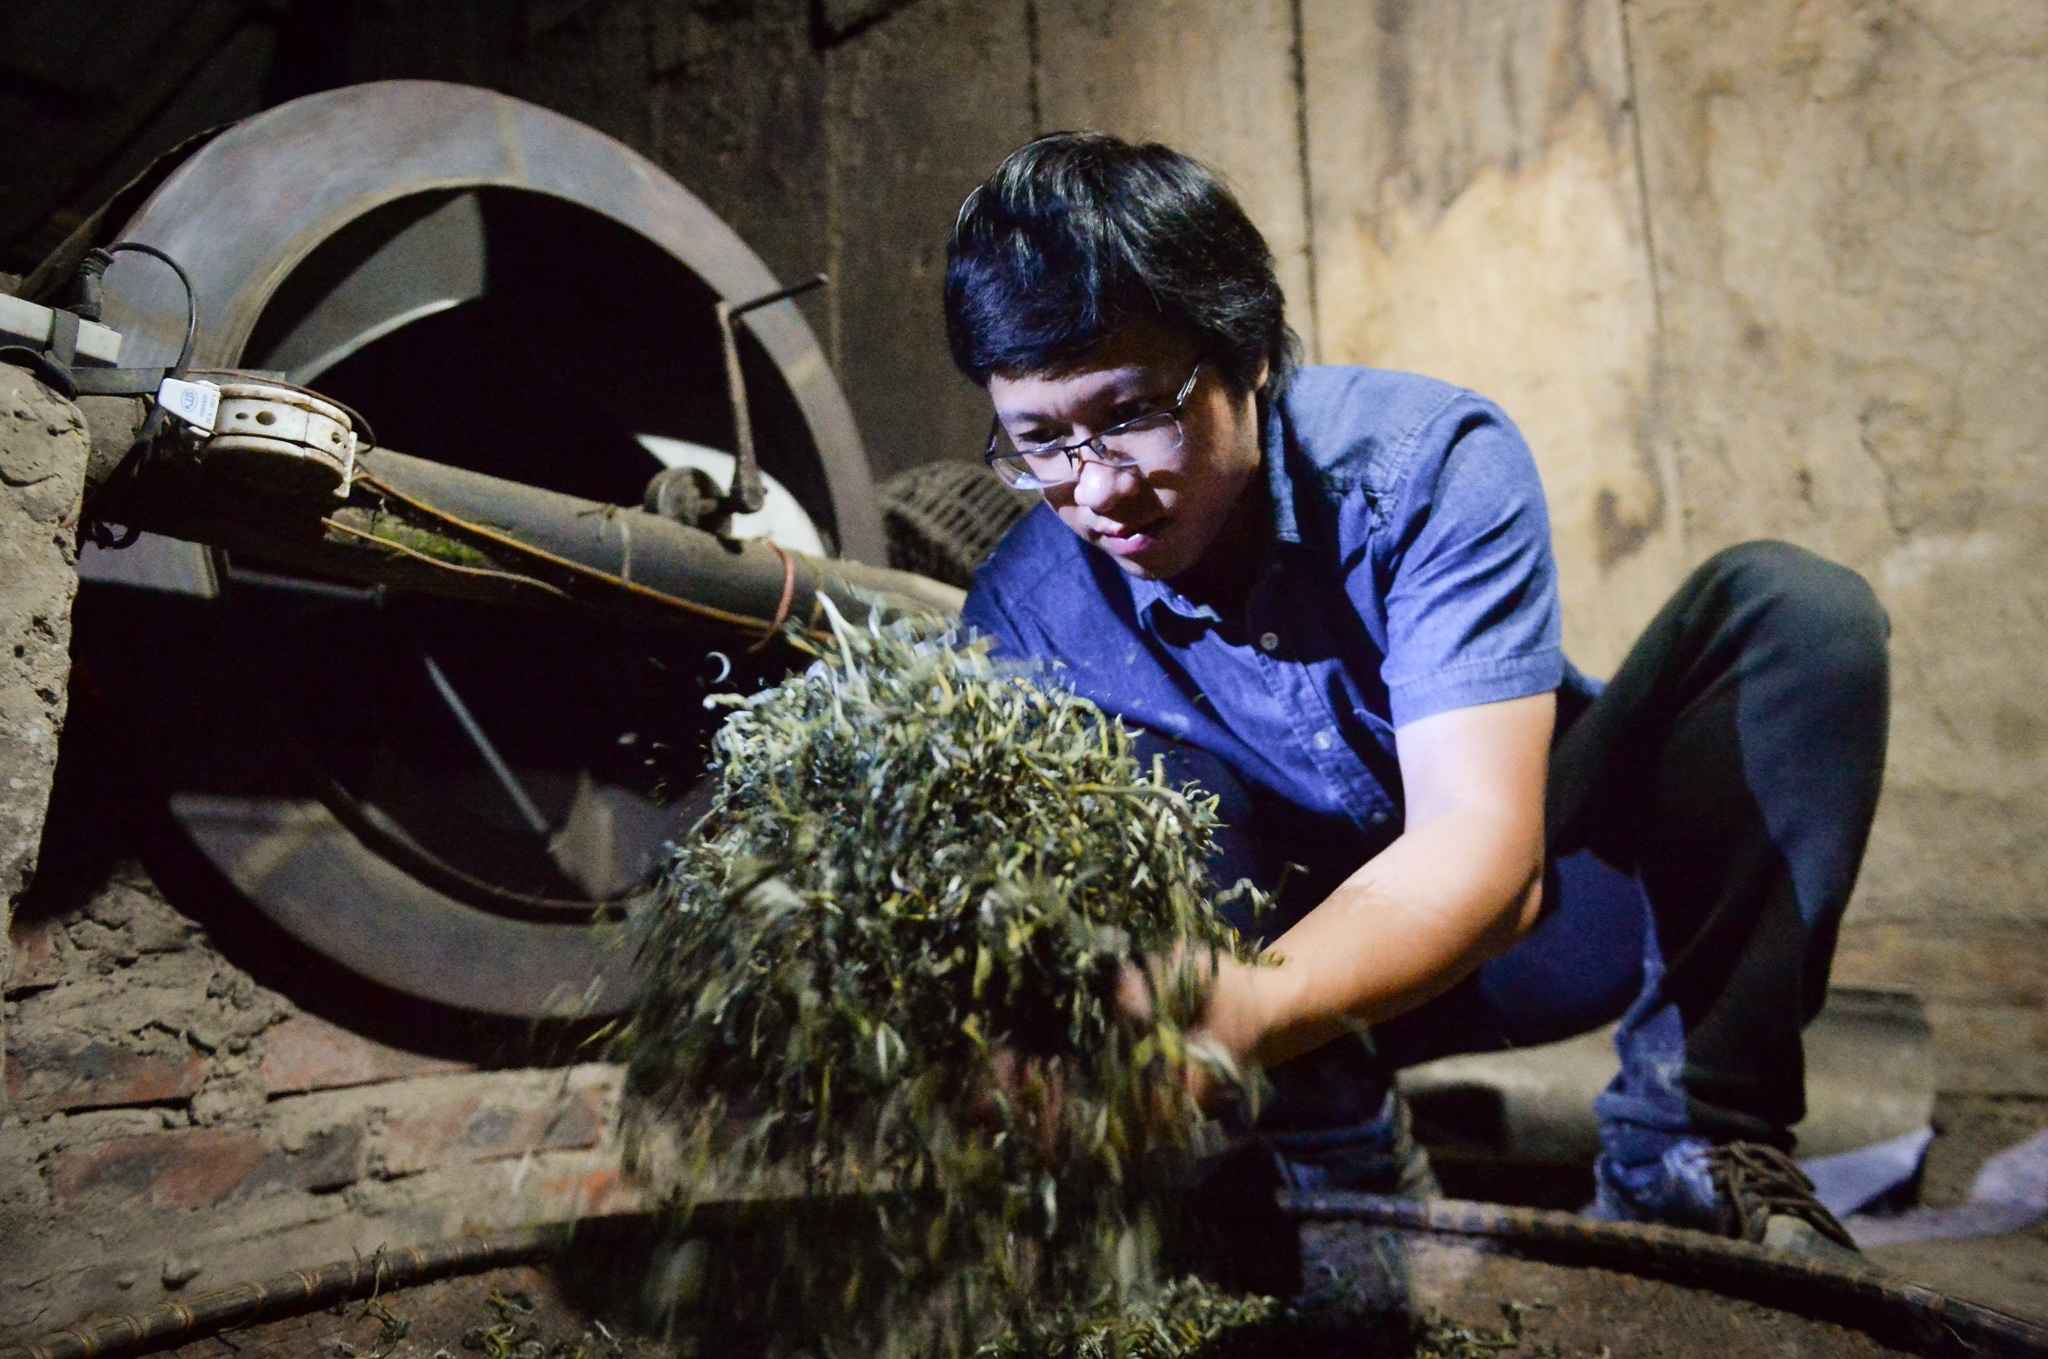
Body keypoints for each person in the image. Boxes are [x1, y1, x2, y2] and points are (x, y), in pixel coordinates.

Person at [946, 132, 1889, 1260]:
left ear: (1246, 357)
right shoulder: (1021, 619)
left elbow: (1482, 858)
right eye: (1039, 441)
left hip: (1550, 915)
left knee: (1795, 612)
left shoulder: (1419, 466)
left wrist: (1242, 1010)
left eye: (1133, 413)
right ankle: (1332, 1166)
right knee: (1124, 777)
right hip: (1278, 1030)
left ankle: (1687, 1144)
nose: (1095, 488)